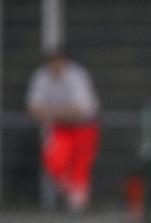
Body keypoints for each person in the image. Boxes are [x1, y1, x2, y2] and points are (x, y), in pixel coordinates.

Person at [26, 48, 100, 211]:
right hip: (60, 128)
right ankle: (71, 191)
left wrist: (51, 112)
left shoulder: (77, 75)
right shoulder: (41, 76)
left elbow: (82, 109)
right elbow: (32, 108)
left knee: (81, 165)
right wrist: (61, 113)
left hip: (83, 127)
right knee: (53, 160)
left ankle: (78, 204)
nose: (55, 66)